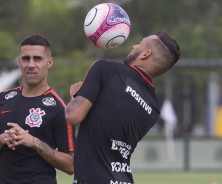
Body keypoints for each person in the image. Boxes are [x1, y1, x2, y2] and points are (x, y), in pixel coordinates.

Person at [65, 31, 180, 184]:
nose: (134, 45)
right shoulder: (154, 107)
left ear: (146, 54)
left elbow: (73, 116)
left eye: (139, 43)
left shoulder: (105, 69)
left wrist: (75, 96)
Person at [0, 34, 75, 184]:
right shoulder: (1, 100)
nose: (31, 64)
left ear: (49, 62)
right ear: (19, 62)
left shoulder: (59, 108)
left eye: (38, 58)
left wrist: (34, 142)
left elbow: (71, 165)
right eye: (26, 58)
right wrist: (1, 139)